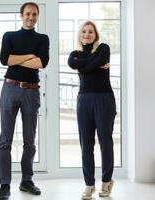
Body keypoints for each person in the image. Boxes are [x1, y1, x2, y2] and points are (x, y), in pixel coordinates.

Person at [0, 2, 49, 200]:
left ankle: (26, 181)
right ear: (21, 15)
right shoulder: (9, 36)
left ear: (37, 16)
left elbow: (42, 62)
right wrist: (29, 55)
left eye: (34, 14)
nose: (31, 17)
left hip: (31, 92)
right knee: (5, 140)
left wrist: (16, 58)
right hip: (10, 89)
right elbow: (4, 60)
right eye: (27, 14)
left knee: (30, 140)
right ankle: (4, 185)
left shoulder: (42, 39)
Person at [68, 20, 116, 200]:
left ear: (95, 34)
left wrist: (85, 66)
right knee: (86, 144)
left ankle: (106, 182)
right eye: (83, 32)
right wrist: (94, 64)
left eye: (90, 31)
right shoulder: (74, 54)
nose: (87, 34)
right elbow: (74, 64)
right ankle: (89, 185)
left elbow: (95, 62)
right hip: (84, 100)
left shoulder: (103, 48)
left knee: (105, 141)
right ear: (79, 35)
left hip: (104, 98)